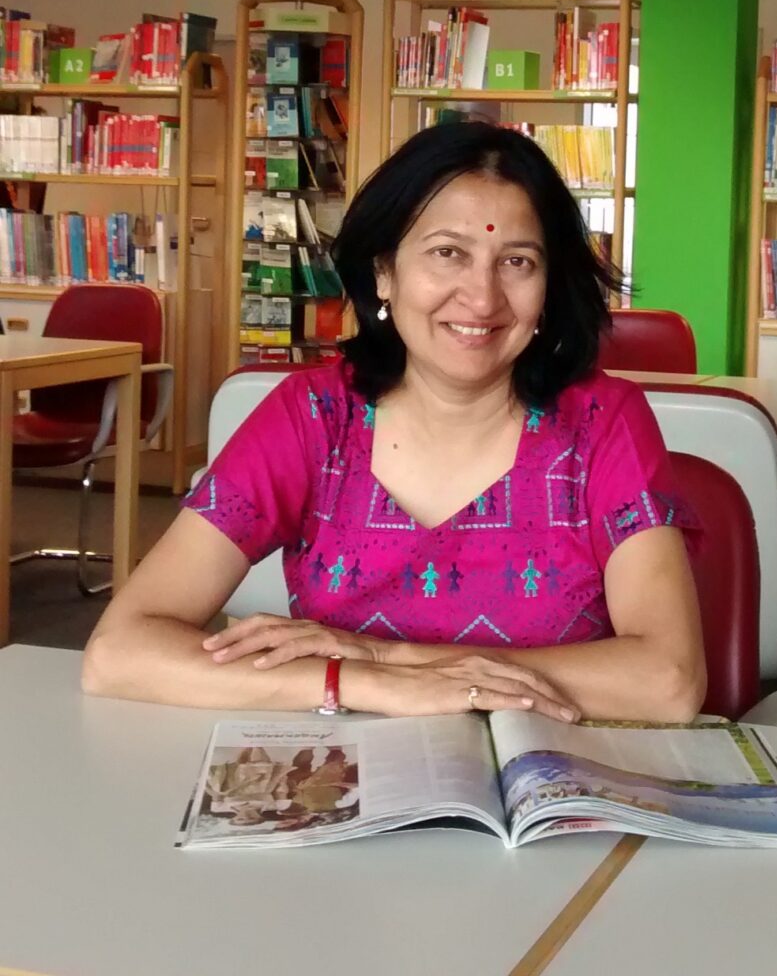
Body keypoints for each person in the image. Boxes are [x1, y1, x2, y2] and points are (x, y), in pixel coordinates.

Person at [82, 122, 706, 724]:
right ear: (384, 271)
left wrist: (389, 657)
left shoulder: (603, 423)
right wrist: (358, 682)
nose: (482, 297)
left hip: (546, 772)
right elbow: (120, 652)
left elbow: (669, 682)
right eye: (447, 253)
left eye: (517, 262)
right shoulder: (314, 418)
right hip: (346, 771)